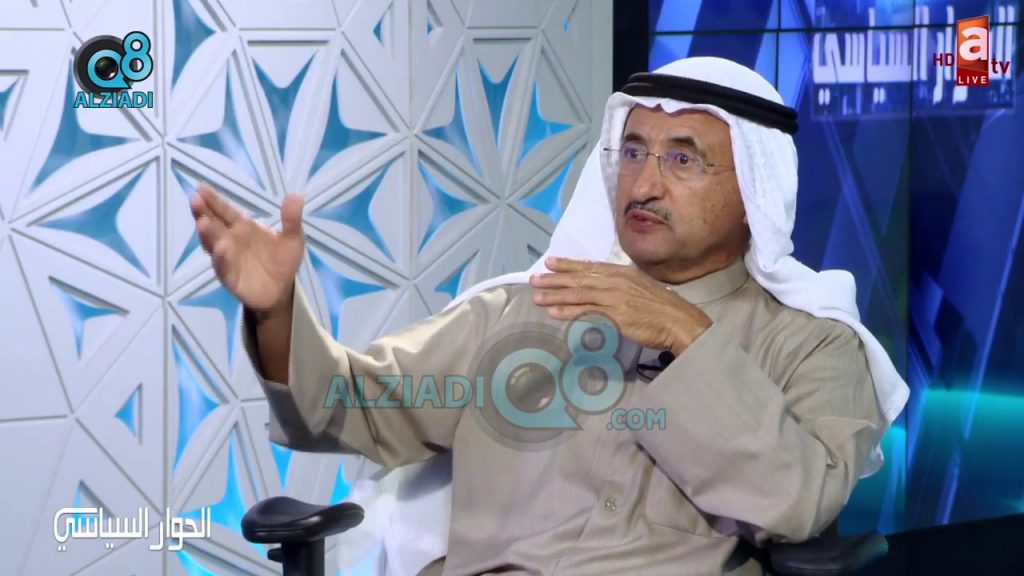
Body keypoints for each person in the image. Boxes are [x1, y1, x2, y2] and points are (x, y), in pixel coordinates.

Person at [190, 56, 909, 575]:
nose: (644, 184)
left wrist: (686, 335)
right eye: (634, 152)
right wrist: (277, 311)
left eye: (683, 161)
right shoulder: (524, 310)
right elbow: (345, 407)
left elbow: (795, 503)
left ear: (754, 190)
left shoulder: (812, 344)